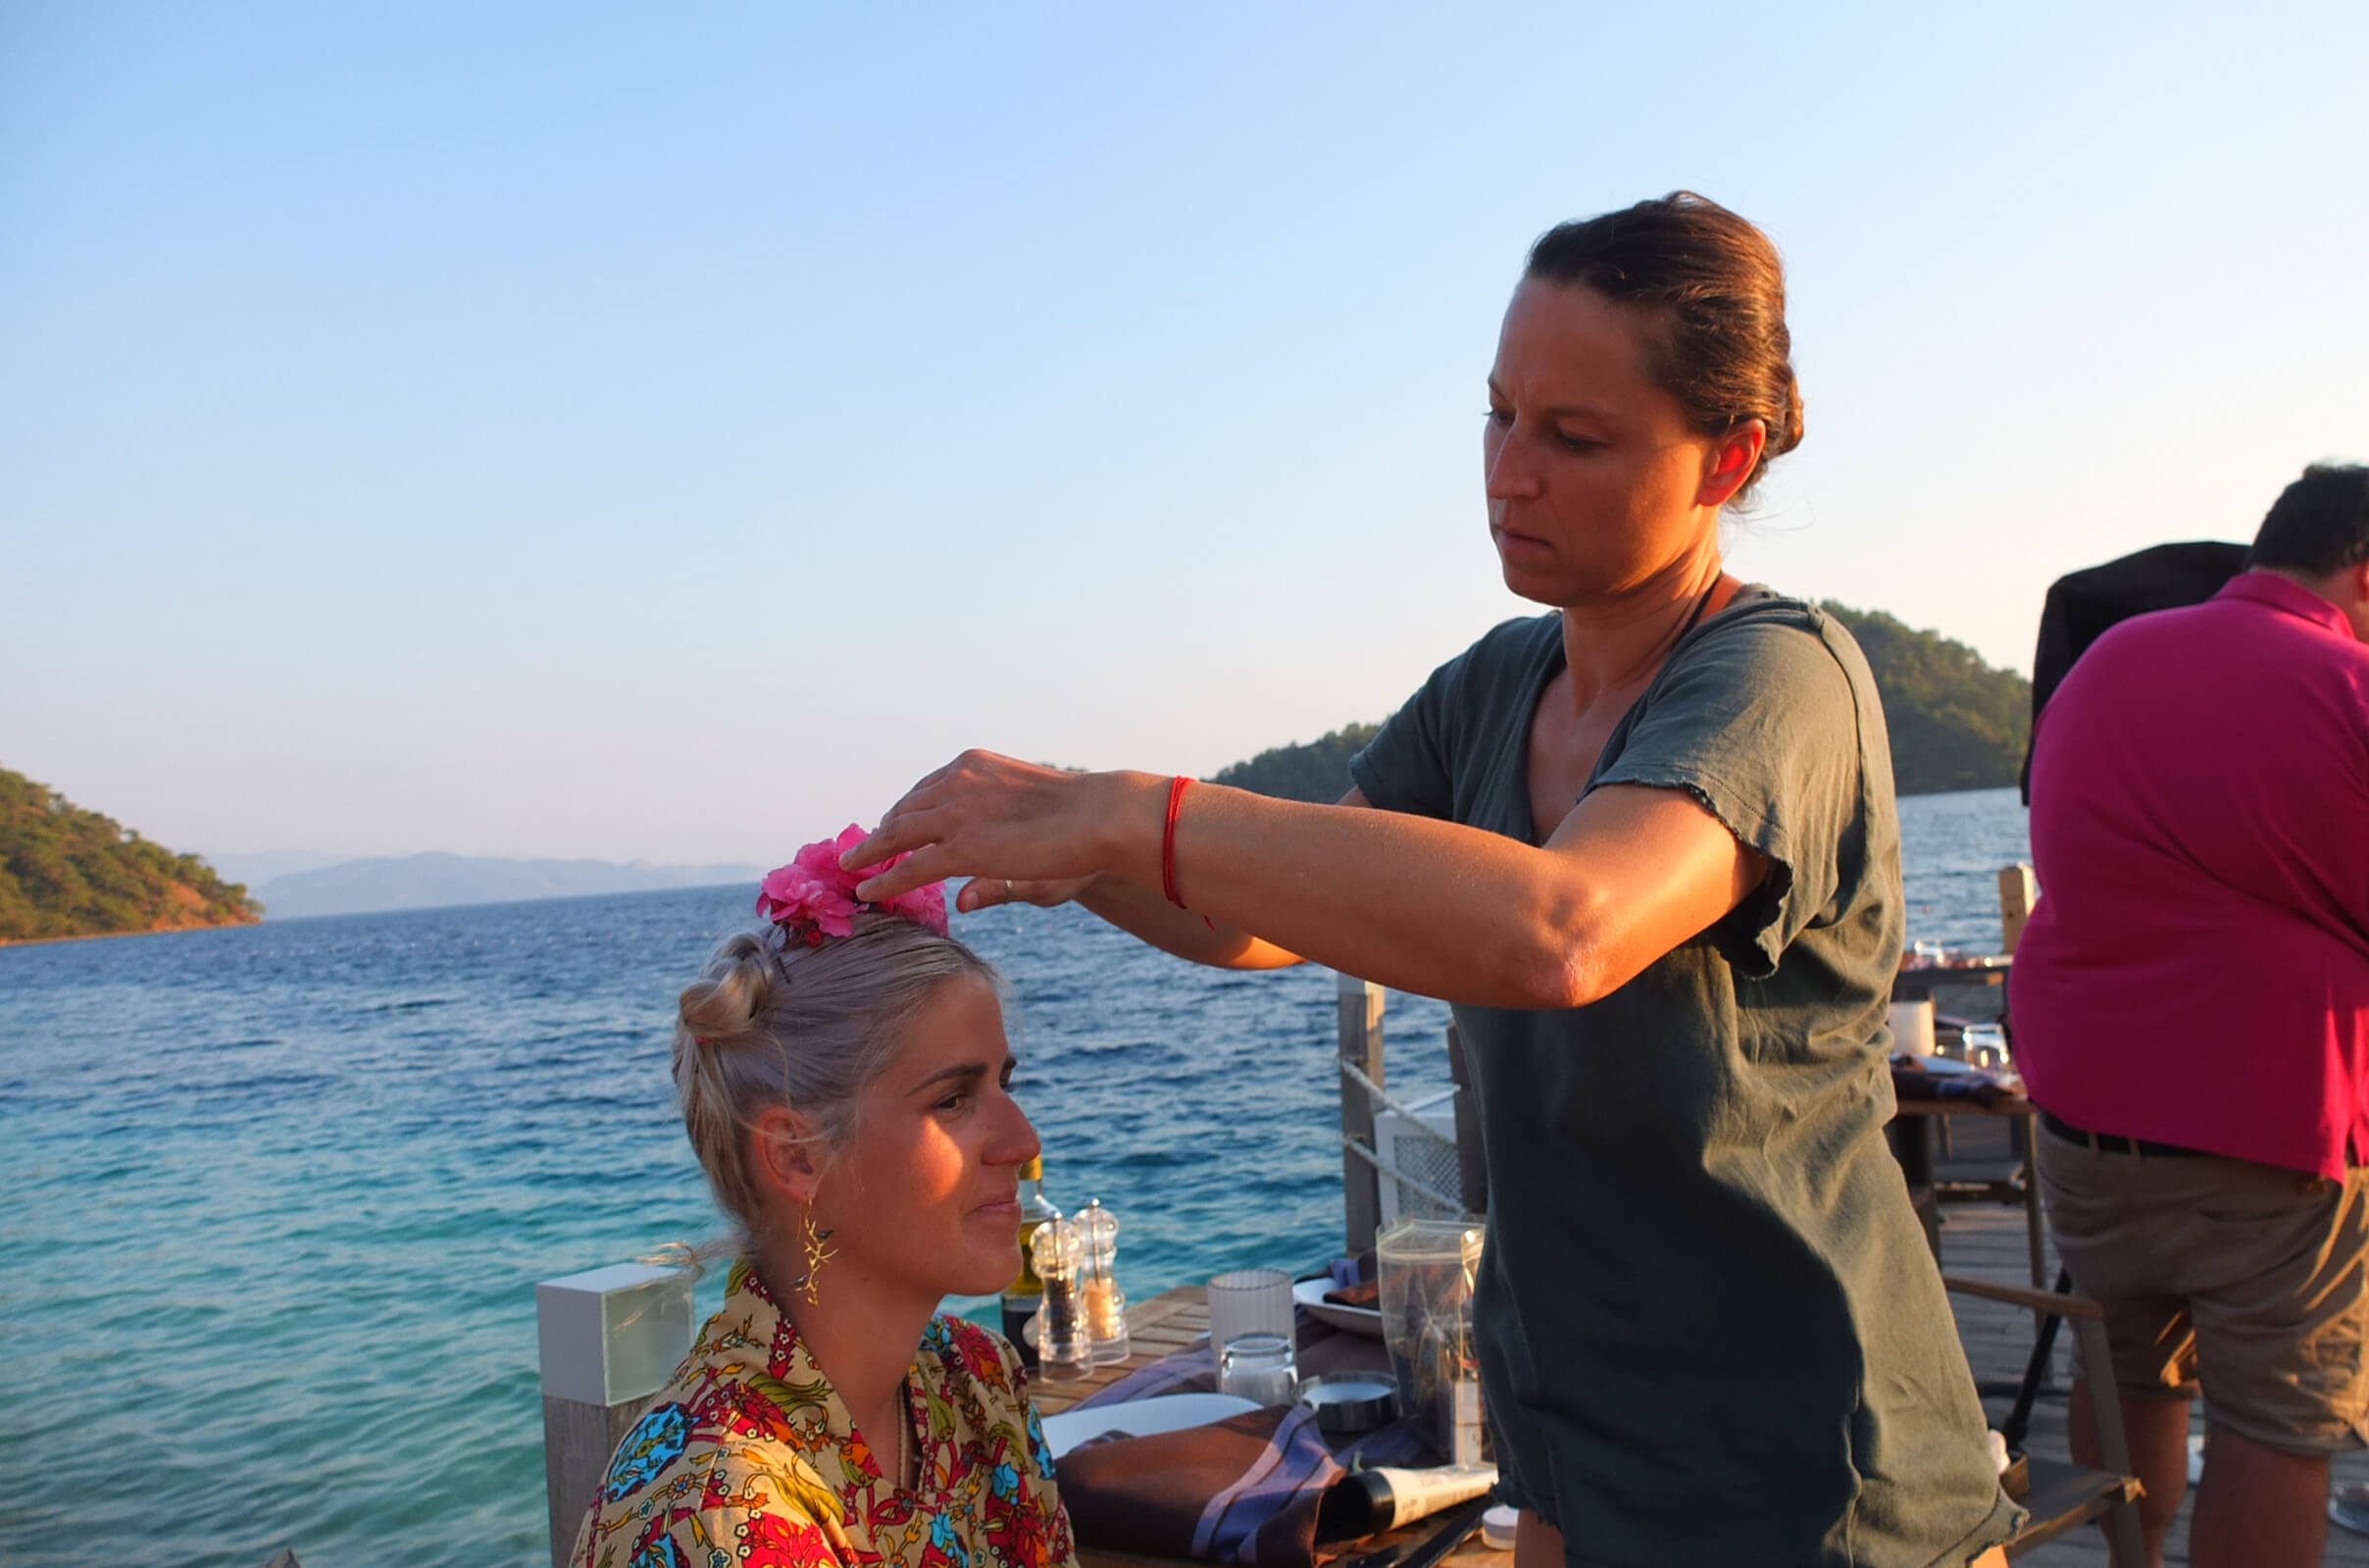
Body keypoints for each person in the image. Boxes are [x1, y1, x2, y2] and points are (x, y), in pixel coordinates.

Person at [843, 194, 2018, 1567]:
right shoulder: (1492, 688)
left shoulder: (1776, 681)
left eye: (1574, 436)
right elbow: (1252, 916)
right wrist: (1080, 846)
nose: (1508, 474)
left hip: (1812, 1466)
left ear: (1727, 457)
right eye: (1498, 415)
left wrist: (1128, 810)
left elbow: (1561, 929)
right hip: (1577, 1440)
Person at [2010, 464, 2369, 1568]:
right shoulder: (2347, 685)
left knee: (2125, 1366)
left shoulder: (2107, 661)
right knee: (2277, 1418)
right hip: (2266, 1133)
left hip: (2086, 1126)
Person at [571, 827, 1076, 1568]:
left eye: (1006, 1082)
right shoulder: (718, 1511)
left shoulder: (976, 1382)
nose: (1023, 1140)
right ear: (797, 1156)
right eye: (954, 1099)